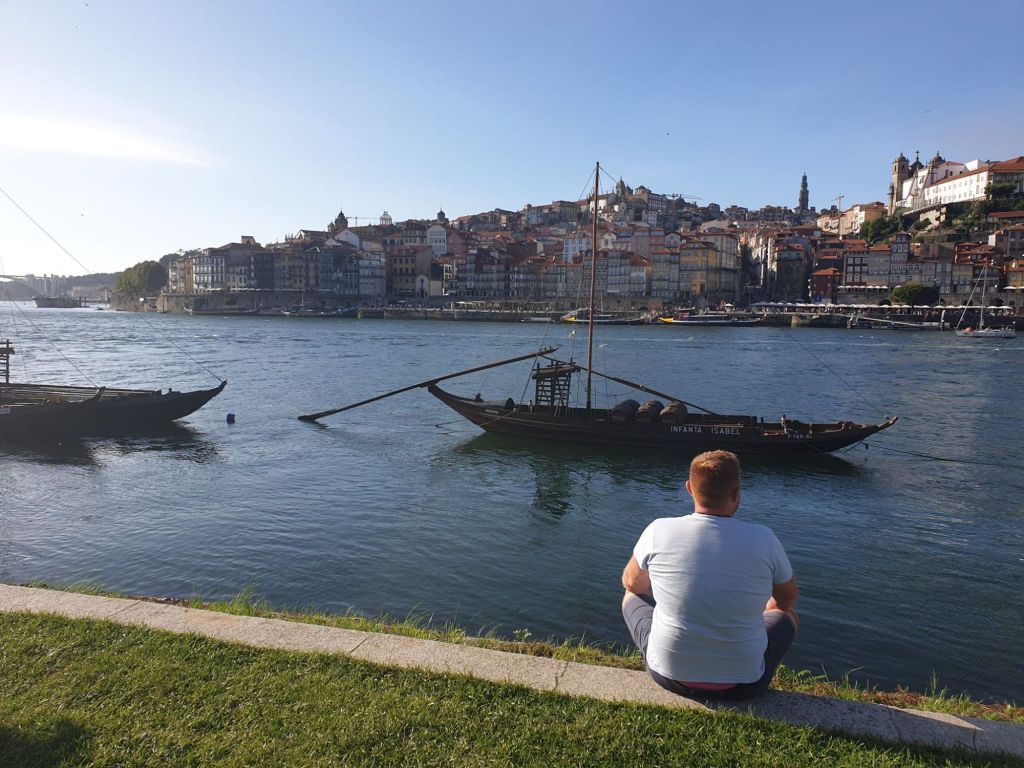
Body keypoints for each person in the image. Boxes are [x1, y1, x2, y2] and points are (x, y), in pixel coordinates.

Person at [621, 449, 798, 699]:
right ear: (736, 493)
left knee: (630, 594)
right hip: (745, 684)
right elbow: (787, 599)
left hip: (668, 675)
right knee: (786, 613)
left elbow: (632, 584)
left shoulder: (658, 529)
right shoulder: (764, 538)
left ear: (689, 488)